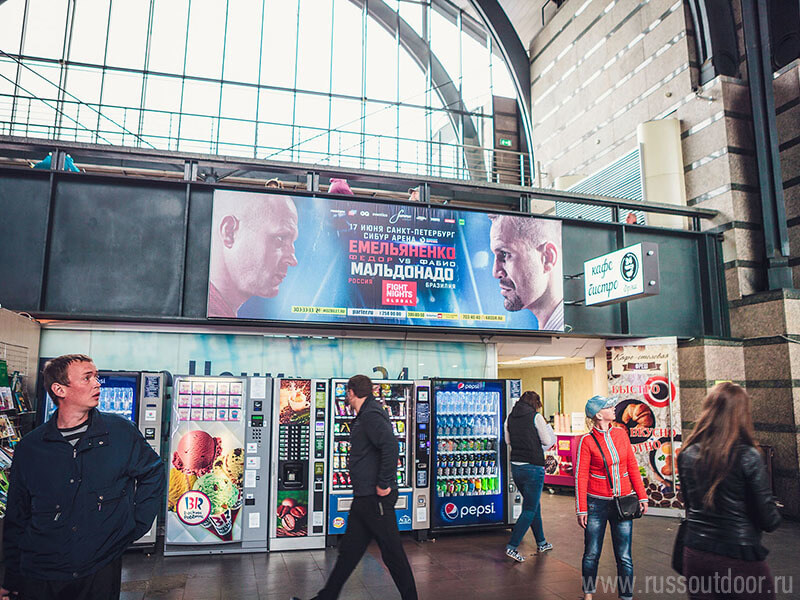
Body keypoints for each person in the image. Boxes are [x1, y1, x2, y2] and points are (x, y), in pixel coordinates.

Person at [1, 354, 164, 600]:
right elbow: (18, 513)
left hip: (98, 568)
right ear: (59, 389)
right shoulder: (31, 448)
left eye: (96, 377)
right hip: (41, 572)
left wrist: (136, 524)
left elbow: (153, 471)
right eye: (87, 378)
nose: (97, 383)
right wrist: (10, 577)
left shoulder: (120, 432)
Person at [292, 375, 417, 600]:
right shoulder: (365, 414)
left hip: (375, 498)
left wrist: (383, 483)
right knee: (348, 554)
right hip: (364, 498)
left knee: (393, 556)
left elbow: (390, 445)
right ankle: (326, 597)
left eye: (347, 392)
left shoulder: (370, 415)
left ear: (351, 392)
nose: (346, 396)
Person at [677, 382, 781, 600]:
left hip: (695, 550)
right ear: (741, 413)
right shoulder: (748, 455)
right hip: (738, 554)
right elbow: (769, 520)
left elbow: (690, 504)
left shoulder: (686, 453)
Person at [576, 395, 648, 600]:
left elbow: (632, 466)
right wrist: (581, 509)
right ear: (599, 414)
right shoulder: (587, 442)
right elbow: (581, 477)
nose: (614, 408)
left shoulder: (621, 434)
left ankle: (626, 595)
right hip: (596, 504)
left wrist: (642, 496)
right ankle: (588, 594)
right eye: (609, 406)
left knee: (624, 556)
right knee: (592, 553)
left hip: (623, 501)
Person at [208, 190, 299, 317]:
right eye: (280, 239)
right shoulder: (204, 324)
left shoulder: (211, 316)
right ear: (230, 233)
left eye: (292, 242)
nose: (293, 261)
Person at [503, 390, 556, 562]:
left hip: (516, 467)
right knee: (529, 509)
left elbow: (508, 441)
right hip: (533, 466)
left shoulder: (509, 417)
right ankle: (512, 546)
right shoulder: (536, 417)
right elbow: (547, 441)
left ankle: (541, 542)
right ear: (536, 403)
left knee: (534, 506)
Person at [488, 214, 564, 330]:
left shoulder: (573, 337)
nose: (496, 272)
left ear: (548, 257)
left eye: (505, 254)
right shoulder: (561, 334)